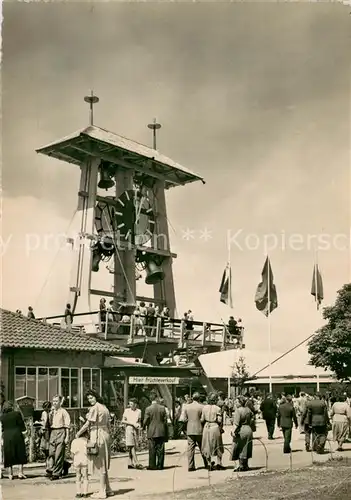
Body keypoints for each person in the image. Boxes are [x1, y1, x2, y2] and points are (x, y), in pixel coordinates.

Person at [75, 390, 113, 499]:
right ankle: (108, 489)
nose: (90, 400)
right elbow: (108, 424)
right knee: (104, 463)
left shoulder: (95, 408)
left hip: (97, 435)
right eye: (88, 399)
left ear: (96, 397)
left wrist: (78, 433)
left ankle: (102, 492)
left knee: (100, 464)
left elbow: (88, 423)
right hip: (105, 434)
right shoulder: (104, 407)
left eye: (91, 397)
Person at [179, 392, 208, 471]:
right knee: (202, 447)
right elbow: (203, 419)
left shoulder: (187, 407)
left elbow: (184, 419)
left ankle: (191, 466)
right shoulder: (202, 407)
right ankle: (206, 463)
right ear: (199, 398)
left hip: (190, 429)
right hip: (199, 429)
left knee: (191, 448)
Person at [0, 401, 28, 480]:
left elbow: (2, 428)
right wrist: (25, 433)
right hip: (17, 434)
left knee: (9, 455)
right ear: (11, 407)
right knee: (20, 452)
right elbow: (22, 425)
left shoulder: (2, 417)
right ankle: (20, 473)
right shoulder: (17, 414)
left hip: (7, 436)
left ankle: (10, 474)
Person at [47, 395, 71, 480]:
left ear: (60, 402)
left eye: (56, 401)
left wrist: (67, 436)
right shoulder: (52, 412)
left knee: (59, 454)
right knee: (51, 453)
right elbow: (49, 424)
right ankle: (65, 465)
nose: (54, 403)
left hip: (61, 431)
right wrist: (50, 415)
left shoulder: (64, 412)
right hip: (53, 432)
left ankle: (56, 473)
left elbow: (67, 425)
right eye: (53, 401)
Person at [143, 391, 168, 470]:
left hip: (151, 430)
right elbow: (165, 420)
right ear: (156, 398)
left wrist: (144, 427)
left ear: (150, 399)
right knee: (161, 449)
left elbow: (146, 420)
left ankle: (152, 465)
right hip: (161, 431)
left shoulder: (148, 409)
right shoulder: (162, 408)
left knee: (152, 449)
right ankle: (160, 465)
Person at [201, 392, 225, 470]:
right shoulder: (217, 408)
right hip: (215, 426)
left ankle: (209, 464)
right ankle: (219, 463)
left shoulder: (204, 408)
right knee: (218, 444)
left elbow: (202, 419)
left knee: (207, 445)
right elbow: (219, 420)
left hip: (207, 426)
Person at [231, 396, 254, 472]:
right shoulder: (248, 410)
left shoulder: (238, 411)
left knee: (239, 447)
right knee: (246, 447)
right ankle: (246, 465)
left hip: (241, 430)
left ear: (240, 403)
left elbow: (236, 424)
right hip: (248, 429)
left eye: (236, 402)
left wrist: (233, 431)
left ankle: (241, 465)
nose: (235, 403)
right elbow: (252, 419)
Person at [122, 398, 143, 469]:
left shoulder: (139, 411)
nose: (130, 405)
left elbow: (139, 421)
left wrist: (138, 425)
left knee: (133, 445)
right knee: (132, 445)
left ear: (135, 404)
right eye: (129, 404)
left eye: (131, 404)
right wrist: (132, 423)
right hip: (129, 428)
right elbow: (123, 421)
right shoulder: (127, 411)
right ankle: (137, 462)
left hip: (136, 429)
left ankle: (130, 463)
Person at [71, 427, 90, 498]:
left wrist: (73, 461)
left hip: (77, 459)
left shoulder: (74, 441)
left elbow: (72, 454)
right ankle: (85, 493)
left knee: (78, 476)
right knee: (85, 476)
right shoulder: (87, 441)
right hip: (85, 459)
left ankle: (78, 493)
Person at [39, 401, 52, 471]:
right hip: (48, 431)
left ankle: (48, 465)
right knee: (47, 449)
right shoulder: (50, 413)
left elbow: (44, 422)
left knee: (47, 449)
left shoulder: (45, 413)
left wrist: (42, 426)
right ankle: (48, 465)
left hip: (46, 431)